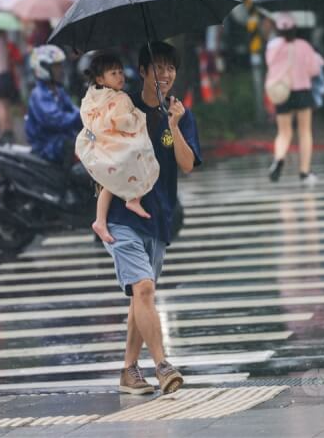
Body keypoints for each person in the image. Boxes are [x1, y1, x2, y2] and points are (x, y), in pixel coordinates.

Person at [103, 41, 201, 396]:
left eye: (170, 68)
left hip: (159, 217)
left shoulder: (178, 113)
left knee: (139, 295)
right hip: (121, 214)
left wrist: (173, 125)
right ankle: (162, 365)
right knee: (144, 288)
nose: (165, 74)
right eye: (157, 67)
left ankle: (129, 370)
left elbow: (188, 165)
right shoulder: (122, 108)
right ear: (142, 71)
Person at [75, 52, 159, 244]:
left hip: (99, 140)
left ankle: (129, 201)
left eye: (121, 72)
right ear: (100, 78)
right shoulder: (114, 98)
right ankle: (105, 217)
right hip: (102, 141)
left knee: (117, 172)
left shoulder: (98, 96)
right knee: (135, 152)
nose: (120, 76)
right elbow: (120, 122)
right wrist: (135, 117)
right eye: (114, 73)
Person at [266, 13, 324, 184]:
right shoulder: (304, 46)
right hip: (302, 91)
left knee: (284, 132)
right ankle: (304, 172)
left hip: (282, 92)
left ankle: (279, 159)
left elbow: (270, 65)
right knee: (305, 131)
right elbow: (314, 70)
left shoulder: (273, 47)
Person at [24, 45, 83, 166]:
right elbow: (56, 120)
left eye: (60, 65)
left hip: (61, 140)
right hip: (47, 146)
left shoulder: (58, 91)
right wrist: (81, 116)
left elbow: (73, 109)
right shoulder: (39, 95)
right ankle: (68, 184)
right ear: (43, 68)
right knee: (73, 147)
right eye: (56, 66)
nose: (61, 70)